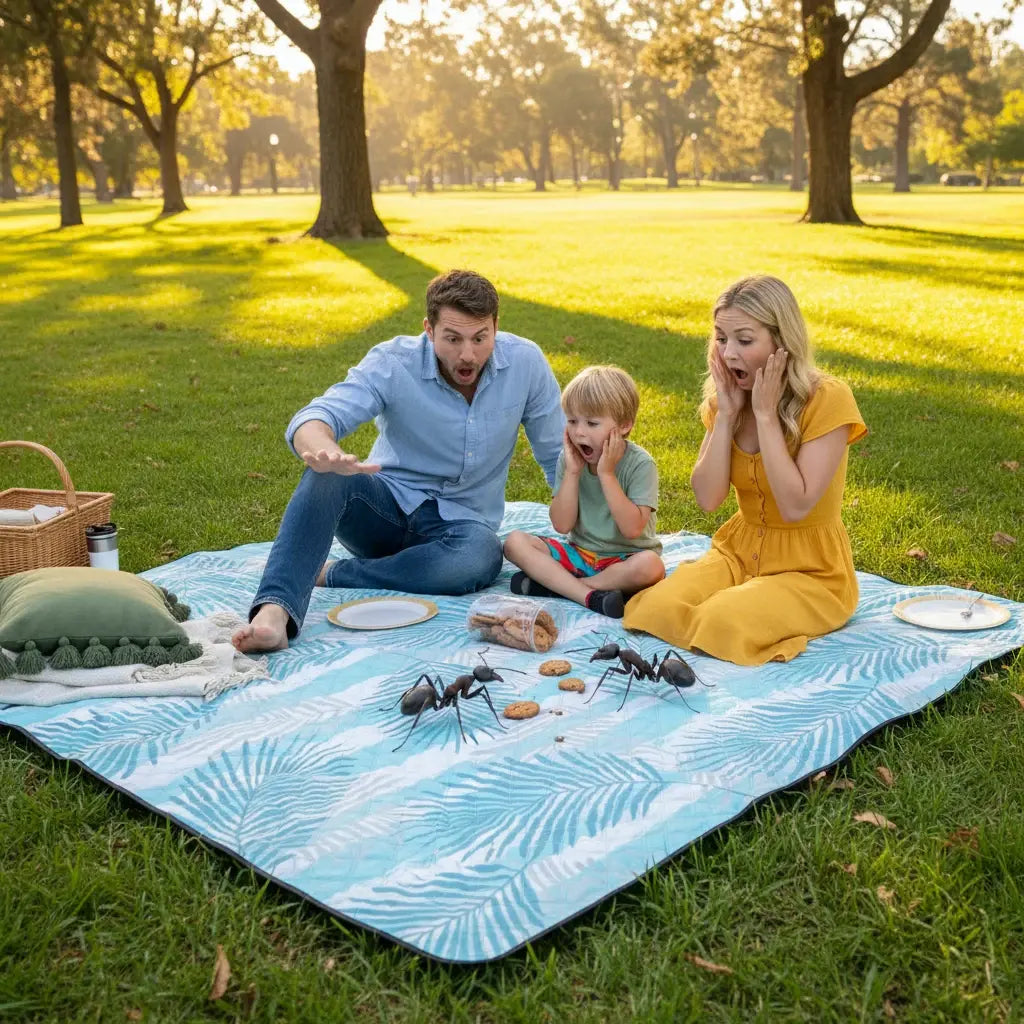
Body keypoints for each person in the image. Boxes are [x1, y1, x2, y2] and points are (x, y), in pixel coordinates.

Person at [232, 269, 564, 653]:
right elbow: (316, 417)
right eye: (452, 339)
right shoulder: (393, 361)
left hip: (461, 530)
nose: (467, 354)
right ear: (429, 329)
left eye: (480, 338)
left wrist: (593, 533)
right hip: (384, 513)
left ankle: (339, 574)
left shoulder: (525, 363)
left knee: (482, 555)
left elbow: (557, 455)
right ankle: (275, 613)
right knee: (326, 475)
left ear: (495, 327)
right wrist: (324, 449)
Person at [623, 275, 867, 665]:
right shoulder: (728, 400)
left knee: (721, 621)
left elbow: (795, 506)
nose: (729, 353)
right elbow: (708, 498)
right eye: (721, 338)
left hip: (812, 571)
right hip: (738, 552)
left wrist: (766, 416)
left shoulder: (827, 399)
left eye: (744, 340)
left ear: (781, 342)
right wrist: (727, 415)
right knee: (655, 608)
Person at [502, 365, 665, 619]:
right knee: (514, 543)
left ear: (624, 425)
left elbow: (632, 529)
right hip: (579, 555)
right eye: (572, 421)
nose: (579, 432)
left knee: (651, 566)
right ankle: (590, 595)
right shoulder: (570, 460)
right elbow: (561, 525)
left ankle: (563, 587)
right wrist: (573, 473)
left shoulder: (640, 464)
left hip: (624, 560)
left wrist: (607, 474)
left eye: (592, 423)